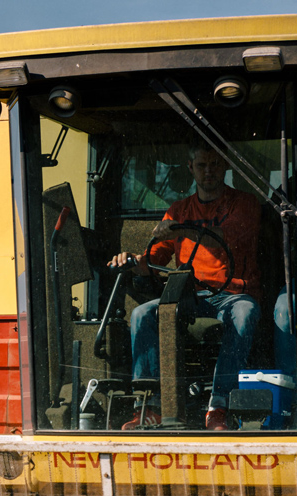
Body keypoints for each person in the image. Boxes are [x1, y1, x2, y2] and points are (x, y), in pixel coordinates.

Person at [110, 144, 261, 430]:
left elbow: (227, 238)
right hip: (191, 295)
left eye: (215, 164)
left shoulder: (245, 203)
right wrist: (132, 261)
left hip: (233, 294)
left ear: (225, 166)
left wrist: (181, 228)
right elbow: (152, 260)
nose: (209, 172)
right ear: (191, 168)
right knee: (142, 313)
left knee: (246, 312)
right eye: (202, 165)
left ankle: (219, 406)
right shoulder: (178, 210)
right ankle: (149, 406)